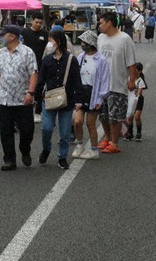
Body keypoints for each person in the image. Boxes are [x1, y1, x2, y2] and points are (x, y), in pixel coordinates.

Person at [0, 25, 38, 171]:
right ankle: (9, 159)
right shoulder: (0, 54)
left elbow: (34, 73)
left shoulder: (27, 52)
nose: (1, 38)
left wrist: (31, 93)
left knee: (27, 129)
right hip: (5, 98)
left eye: (3, 35)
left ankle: (25, 150)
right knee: (6, 131)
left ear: (12, 36)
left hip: (23, 99)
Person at [36, 30, 83, 169]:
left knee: (64, 133)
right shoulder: (47, 60)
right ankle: (46, 148)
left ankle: (62, 157)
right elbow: (41, 80)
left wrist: (79, 100)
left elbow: (77, 81)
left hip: (66, 100)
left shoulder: (71, 59)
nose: (50, 44)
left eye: (52, 40)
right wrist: (37, 100)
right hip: (49, 98)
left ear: (59, 41)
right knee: (46, 128)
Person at [96, 11, 137, 154]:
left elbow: (131, 63)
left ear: (110, 23)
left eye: (101, 23)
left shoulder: (125, 39)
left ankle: (114, 142)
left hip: (117, 83)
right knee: (102, 115)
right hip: (101, 84)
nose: (99, 25)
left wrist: (132, 80)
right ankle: (107, 138)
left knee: (115, 116)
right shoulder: (100, 38)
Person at [72, 30, 110, 160]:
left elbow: (105, 79)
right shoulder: (80, 57)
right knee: (77, 121)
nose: (82, 44)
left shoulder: (101, 60)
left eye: (84, 42)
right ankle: (80, 144)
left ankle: (94, 149)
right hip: (80, 92)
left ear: (90, 43)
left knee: (90, 123)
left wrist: (101, 97)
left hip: (94, 93)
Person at [21, 13, 48, 123]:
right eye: (36, 22)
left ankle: (38, 112)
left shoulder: (45, 34)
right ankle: (25, 111)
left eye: (40, 23)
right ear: (31, 21)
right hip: (25, 65)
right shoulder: (24, 32)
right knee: (25, 88)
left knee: (39, 89)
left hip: (40, 65)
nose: (38, 25)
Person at [124, 62, 147, 141]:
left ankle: (139, 133)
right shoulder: (129, 79)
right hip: (130, 99)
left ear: (139, 71)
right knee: (129, 117)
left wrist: (136, 93)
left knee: (137, 117)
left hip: (138, 100)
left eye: (135, 70)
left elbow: (139, 92)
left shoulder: (140, 81)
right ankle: (130, 133)